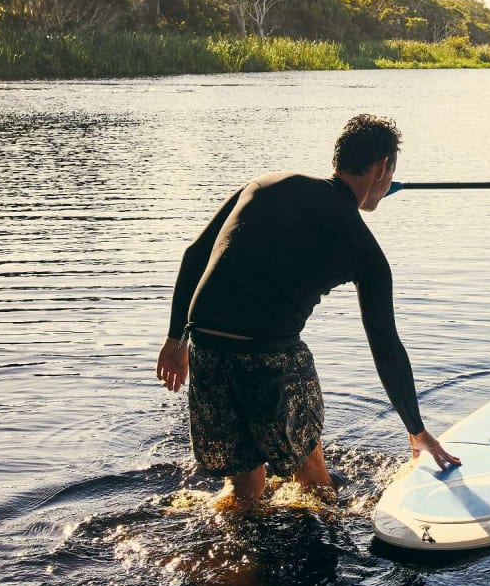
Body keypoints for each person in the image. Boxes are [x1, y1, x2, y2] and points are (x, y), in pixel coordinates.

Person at [157, 114, 462, 510]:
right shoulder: (363, 249)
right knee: (312, 475)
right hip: (270, 356)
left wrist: (175, 338)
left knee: (245, 487)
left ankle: (230, 557)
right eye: (390, 173)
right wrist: (417, 430)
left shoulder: (266, 184)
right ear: (384, 167)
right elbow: (385, 346)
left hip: (206, 348)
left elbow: (195, 254)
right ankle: (328, 538)